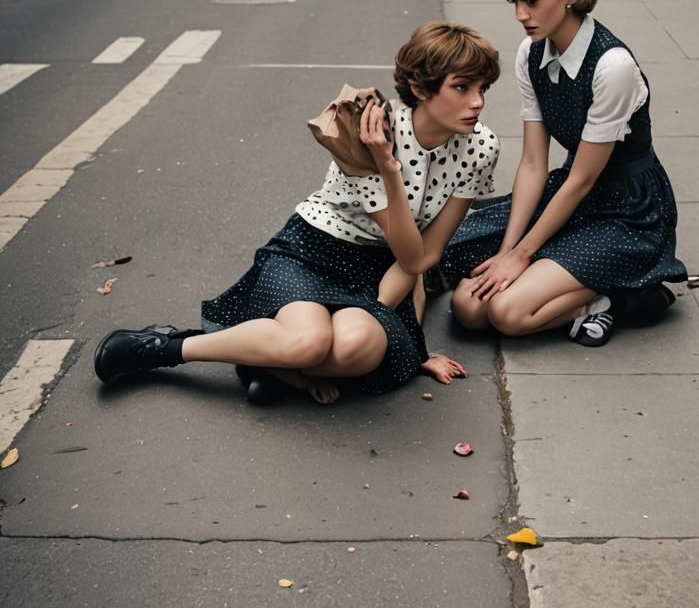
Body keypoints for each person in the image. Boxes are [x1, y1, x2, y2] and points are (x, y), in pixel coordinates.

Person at [94, 22, 501, 404]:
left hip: (387, 268)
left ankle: (267, 361)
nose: (477, 102)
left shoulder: (481, 148)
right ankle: (165, 347)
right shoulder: (367, 129)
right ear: (420, 86)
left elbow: (419, 258)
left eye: (482, 88)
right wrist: (387, 163)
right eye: (461, 87)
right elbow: (409, 248)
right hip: (315, 250)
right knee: (308, 342)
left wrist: (409, 344)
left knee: (358, 349)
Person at [439, 0, 686, 348]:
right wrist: (509, 249)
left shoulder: (613, 65)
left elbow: (583, 179)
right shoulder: (531, 53)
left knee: (506, 313)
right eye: (513, 2)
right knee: (468, 306)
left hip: (628, 213)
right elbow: (534, 163)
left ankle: (621, 298)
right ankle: (593, 290)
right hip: (571, 198)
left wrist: (520, 257)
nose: (520, 14)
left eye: (531, 1)